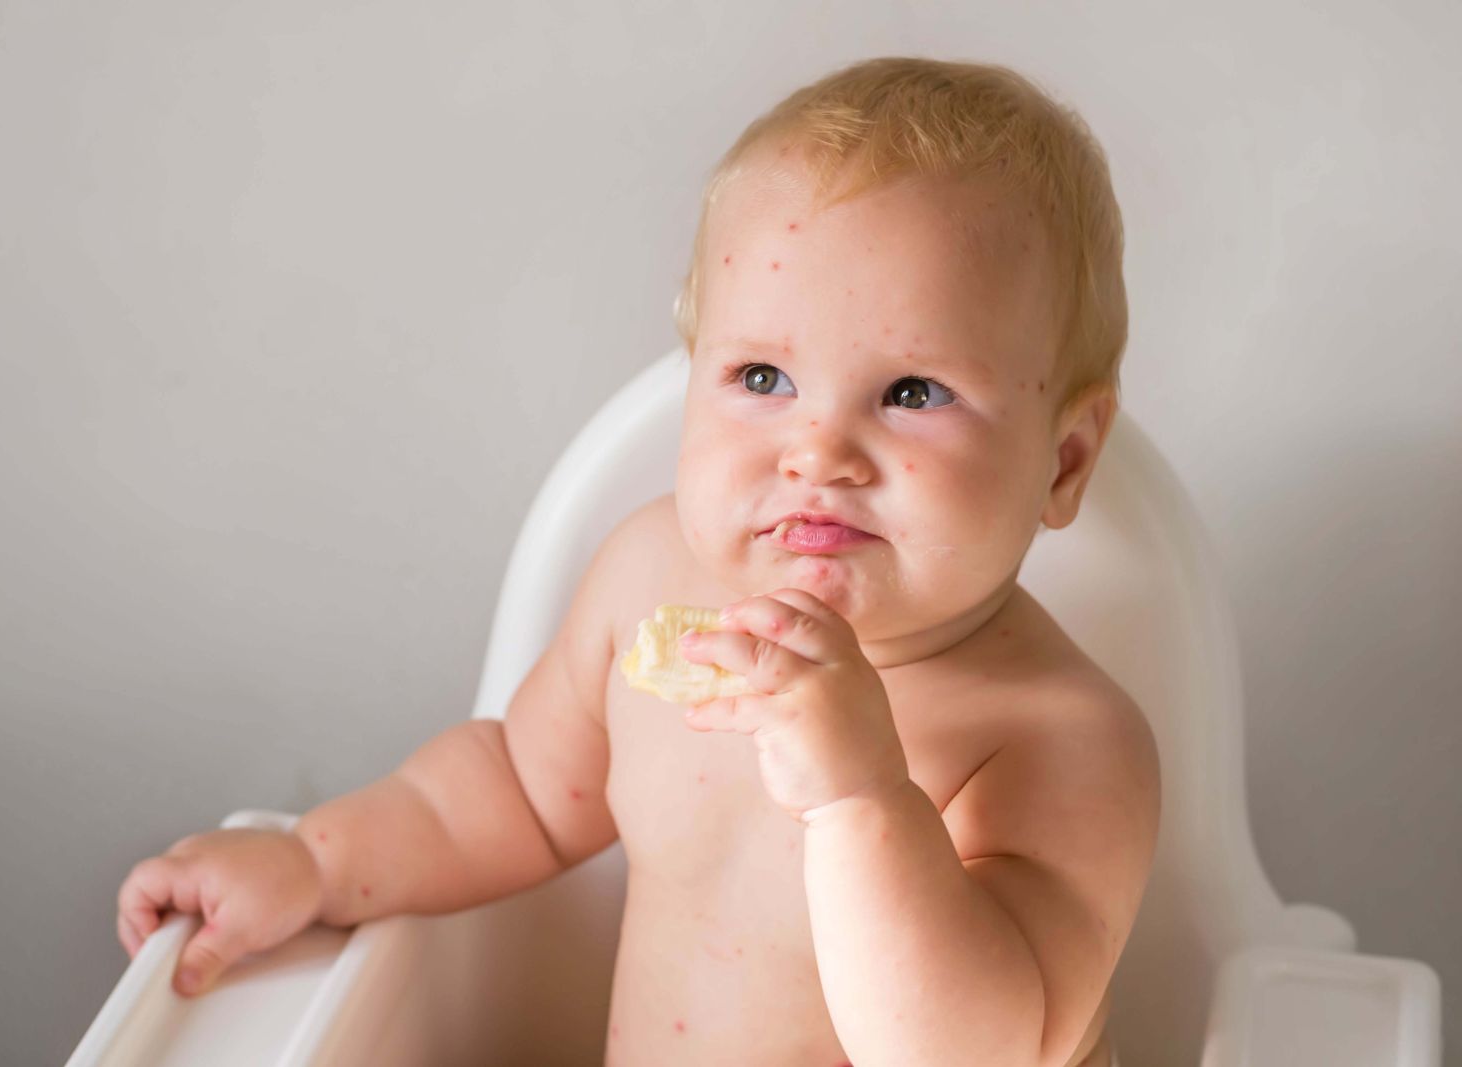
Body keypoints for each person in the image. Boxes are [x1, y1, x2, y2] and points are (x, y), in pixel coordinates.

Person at [117, 55, 1160, 1066]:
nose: (817, 452)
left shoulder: (1059, 739)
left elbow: (980, 1050)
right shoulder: (650, 578)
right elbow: (518, 791)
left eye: (912, 393)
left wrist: (862, 801)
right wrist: (312, 861)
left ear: (1064, 460)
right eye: (763, 376)